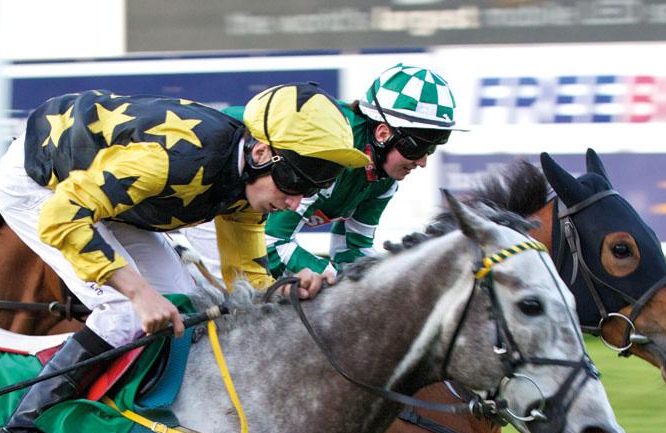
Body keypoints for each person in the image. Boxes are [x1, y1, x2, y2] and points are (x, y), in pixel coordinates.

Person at [0, 83, 368, 433]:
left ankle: (126, 410)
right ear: (262, 153)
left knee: (186, 299)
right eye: (296, 183)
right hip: (42, 186)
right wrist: (138, 292)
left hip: (103, 193)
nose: (296, 203)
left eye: (312, 189)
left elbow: (245, 278)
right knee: (125, 310)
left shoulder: (247, 186)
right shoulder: (178, 159)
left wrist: (282, 291)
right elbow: (62, 216)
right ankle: (18, 432)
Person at [181, 64, 462, 299]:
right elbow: (272, 243)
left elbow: (352, 249)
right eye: (418, 147)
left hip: (243, 204)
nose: (423, 161)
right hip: (206, 175)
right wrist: (330, 276)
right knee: (244, 295)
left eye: (433, 148)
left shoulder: (384, 179)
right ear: (383, 133)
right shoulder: (332, 155)